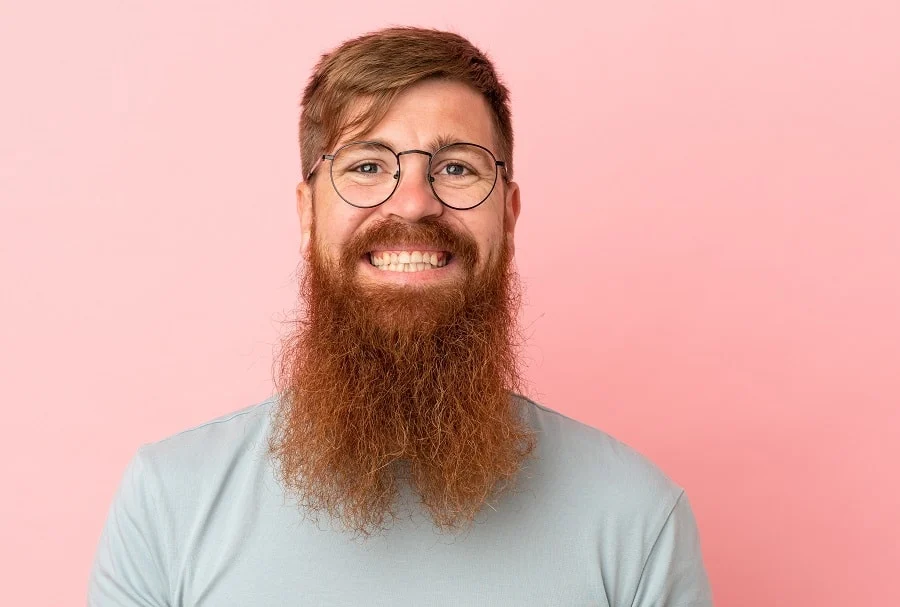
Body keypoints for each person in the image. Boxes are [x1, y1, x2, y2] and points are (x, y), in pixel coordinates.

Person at [88, 26, 713, 606]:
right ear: (307, 212)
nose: (413, 203)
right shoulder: (167, 504)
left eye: (457, 169)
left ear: (510, 216)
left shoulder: (638, 519)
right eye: (366, 166)